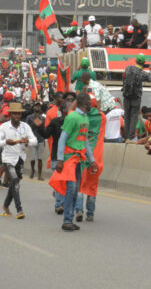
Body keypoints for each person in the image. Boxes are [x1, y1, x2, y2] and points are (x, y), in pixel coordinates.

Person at [51, 92, 97, 231]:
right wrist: (60, 159)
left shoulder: (85, 118)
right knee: (71, 190)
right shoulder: (72, 117)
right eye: (90, 103)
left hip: (79, 159)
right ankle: (66, 221)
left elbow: (85, 143)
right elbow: (62, 138)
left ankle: (69, 219)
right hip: (69, 159)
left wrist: (92, 160)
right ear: (87, 104)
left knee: (76, 189)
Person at [0, 102, 37, 219]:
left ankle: (5, 206)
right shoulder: (4, 127)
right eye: (15, 114)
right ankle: (19, 209)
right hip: (8, 158)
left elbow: (35, 140)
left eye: (19, 113)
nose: (17, 116)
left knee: (15, 183)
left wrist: (27, 141)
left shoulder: (25, 126)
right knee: (15, 180)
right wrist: (6, 142)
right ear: (10, 114)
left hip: (20, 158)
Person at [122, 54, 151, 141]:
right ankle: (131, 137)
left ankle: (126, 135)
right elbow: (150, 79)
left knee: (127, 116)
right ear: (143, 62)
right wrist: (150, 70)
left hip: (126, 96)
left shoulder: (128, 68)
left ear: (135, 61)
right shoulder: (142, 73)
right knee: (134, 116)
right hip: (136, 97)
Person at [24, 102, 46, 180]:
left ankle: (39, 175)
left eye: (39, 106)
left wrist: (44, 141)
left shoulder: (43, 118)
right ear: (33, 107)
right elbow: (27, 128)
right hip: (32, 139)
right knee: (32, 158)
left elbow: (44, 129)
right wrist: (35, 122)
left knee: (40, 158)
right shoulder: (29, 117)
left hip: (40, 139)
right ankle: (32, 170)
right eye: (36, 106)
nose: (37, 107)